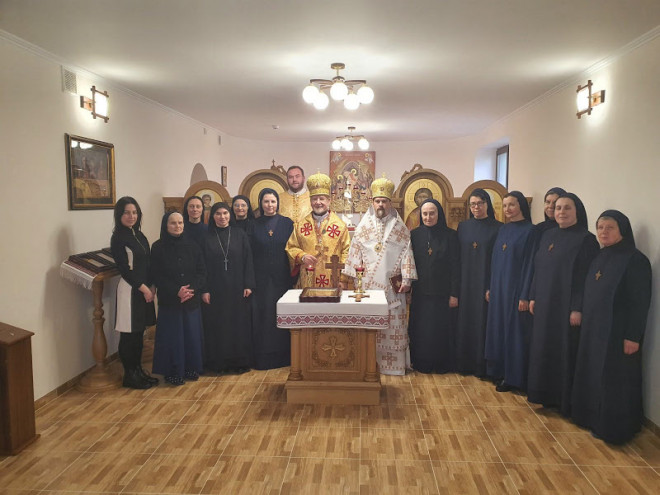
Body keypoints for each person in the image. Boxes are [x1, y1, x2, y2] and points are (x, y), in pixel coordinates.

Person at [571, 211, 652, 444]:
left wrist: (633, 336)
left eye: (610, 228)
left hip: (618, 334)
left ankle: (614, 428)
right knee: (593, 374)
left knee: (614, 381)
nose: (603, 232)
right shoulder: (600, 256)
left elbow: (639, 302)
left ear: (622, 230)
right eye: (600, 227)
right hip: (594, 330)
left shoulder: (635, 260)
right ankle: (589, 417)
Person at [528, 192, 599, 416]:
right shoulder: (548, 235)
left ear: (578, 211)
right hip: (544, 303)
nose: (561, 212)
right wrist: (533, 295)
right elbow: (538, 267)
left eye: (567, 208)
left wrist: (577, 307)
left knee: (564, 350)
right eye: (558, 208)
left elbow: (585, 278)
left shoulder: (586, 240)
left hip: (566, 308)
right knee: (543, 348)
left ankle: (564, 401)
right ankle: (545, 395)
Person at [343, 176, 418, 375]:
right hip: (367, 287)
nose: (381, 204)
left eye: (384, 201)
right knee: (370, 327)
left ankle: (394, 367)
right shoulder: (363, 227)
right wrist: (353, 278)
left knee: (393, 325)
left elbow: (407, 254)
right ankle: (368, 364)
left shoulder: (400, 228)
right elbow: (355, 253)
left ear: (390, 203)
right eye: (377, 201)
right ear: (372, 202)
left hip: (393, 288)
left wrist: (407, 279)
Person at [484, 191, 534, 392]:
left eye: (511, 205)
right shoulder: (503, 229)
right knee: (498, 330)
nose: (507, 209)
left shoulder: (530, 231)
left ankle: (513, 377)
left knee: (514, 333)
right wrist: (490, 286)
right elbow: (494, 260)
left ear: (521, 205)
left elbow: (530, 265)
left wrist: (525, 295)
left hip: (515, 290)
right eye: (504, 206)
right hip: (498, 288)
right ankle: (497, 370)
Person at [150, 212, 206, 385]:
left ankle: (190, 367)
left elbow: (201, 272)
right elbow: (156, 275)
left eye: (180, 223)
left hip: (191, 298)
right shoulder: (157, 247)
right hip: (170, 299)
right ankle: (172, 371)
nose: (178, 226)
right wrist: (176, 291)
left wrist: (190, 290)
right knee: (172, 337)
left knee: (191, 335)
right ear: (165, 225)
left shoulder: (193, 245)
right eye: (173, 223)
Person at [202, 202, 256, 373]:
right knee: (218, 326)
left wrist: (248, 284)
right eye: (218, 214)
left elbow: (248, 260)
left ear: (230, 215)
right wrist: (204, 289)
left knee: (237, 325)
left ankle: (239, 362)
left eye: (225, 213)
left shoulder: (240, 234)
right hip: (215, 289)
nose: (222, 217)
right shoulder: (206, 237)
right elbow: (201, 267)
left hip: (237, 287)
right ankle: (218, 363)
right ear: (213, 216)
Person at [110, 196, 157, 389]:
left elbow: (148, 263)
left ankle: (138, 370)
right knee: (129, 335)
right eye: (127, 213)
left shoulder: (139, 235)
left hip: (145, 289)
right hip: (130, 290)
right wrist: (143, 288)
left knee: (139, 333)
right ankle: (129, 375)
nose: (131, 216)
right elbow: (124, 269)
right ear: (119, 215)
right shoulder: (118, 238)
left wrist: (152, 285)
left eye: (135, 212)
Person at [455, 189, 502, 377]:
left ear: (487, 204)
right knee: (465, 322)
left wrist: (491, 286)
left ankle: (481, 366)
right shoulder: (463, 227)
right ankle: (464, 364)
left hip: (485, 283)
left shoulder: (498, 228)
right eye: (473, 204)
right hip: (466, 283)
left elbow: (498, 261)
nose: (476, 207)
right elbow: (458, 257)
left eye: (480, 203)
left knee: (483, 323)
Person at [408, 199, 459, 373]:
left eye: (432, 213)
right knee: (421, 330)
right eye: (425, 214)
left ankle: (441, 364)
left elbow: (456, 266)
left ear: (439, 214)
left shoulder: (451, 235)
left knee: (440, 330)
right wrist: (409, 289)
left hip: (442, 293)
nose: (428, 217)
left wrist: (454, 293)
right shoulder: (414, 235)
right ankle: (421, 362)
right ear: (420, 215)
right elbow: (409, 264)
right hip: (420, 293)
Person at [250, 188, 294, 369]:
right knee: (263, 318)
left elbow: (293, 249)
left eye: (273, 201)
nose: (270, 205)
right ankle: (263, 358)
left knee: (281, 315)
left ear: (278, 203)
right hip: (260, 280)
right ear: (261, 203)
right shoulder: (253, 225)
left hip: (282, 279)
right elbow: (248, 254)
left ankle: (284, 357)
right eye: (266, 201)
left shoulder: (287, 223)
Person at [286, 172, 350, 289]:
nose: (318, 202)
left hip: (333, 279)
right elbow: (291, 247)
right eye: (314, 199)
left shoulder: (340, 226)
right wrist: (303, 257)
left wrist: (343, 279)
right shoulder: (300, 226)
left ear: (329, 201)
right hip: (308, 278)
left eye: (322, 199)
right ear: (310, 201)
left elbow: (347, 252)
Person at [519, 187, 566, 305]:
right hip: (538, 285)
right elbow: (531, 261)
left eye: (555, 203)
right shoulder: (538, 229)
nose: (551, 206)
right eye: (547, 202)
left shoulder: (569, 230)